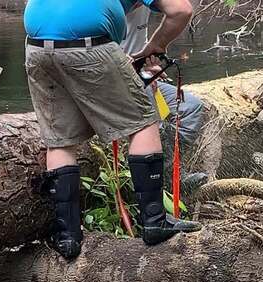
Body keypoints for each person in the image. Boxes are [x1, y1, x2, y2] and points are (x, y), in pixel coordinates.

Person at [24, 0, 201, 260]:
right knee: (142, 123)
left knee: (60, 140)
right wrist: (157, 45)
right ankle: (154, 221)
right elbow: (180, 10)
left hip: (37, 46)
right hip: (89, 43)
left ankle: (68, 236)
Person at [123, 3, 206, 189]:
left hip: (137, 75)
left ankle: (173, 166)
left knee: (191, 107)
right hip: (112, 80)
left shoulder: (146, 7)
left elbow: (140, 51)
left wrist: (148, 66)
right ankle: (166, 182)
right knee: (155, 121)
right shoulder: (104, 8)